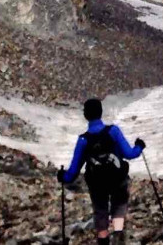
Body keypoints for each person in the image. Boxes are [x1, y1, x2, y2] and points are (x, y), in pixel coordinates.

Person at [56, 99, 147, 245]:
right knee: (119, 204)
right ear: (101, 112)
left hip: (97, 184)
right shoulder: (113, 131)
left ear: (86, 115)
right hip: (118, 179)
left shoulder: (83, 140)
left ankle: (103, 240)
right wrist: (139, 146)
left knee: (101, 211)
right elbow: (129, 154)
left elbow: (73, 171)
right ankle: (118, 235)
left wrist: (63, 176)